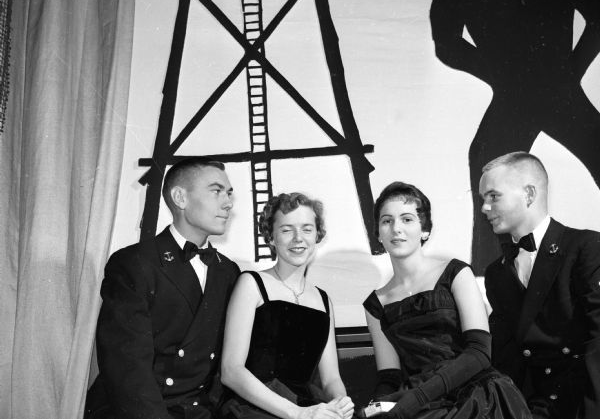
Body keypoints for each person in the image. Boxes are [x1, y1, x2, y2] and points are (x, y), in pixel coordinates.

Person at [430, 0, 600, 275]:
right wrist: (508, 75)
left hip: (542, 93)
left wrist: (568, 72)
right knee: (487, 173)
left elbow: (448, 46)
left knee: (487, 169)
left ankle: (486, 273)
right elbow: (446, 45)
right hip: (536, 94)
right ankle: (489, 276)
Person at [84, 158, 240, 419]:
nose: (227, 203)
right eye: (216, 191)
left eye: (228, 193)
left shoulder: (228, 271)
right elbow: (128, 370)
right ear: (180, 197)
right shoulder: (133, 263)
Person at [362, 182, 531, 419]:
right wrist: (374, 408)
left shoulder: (456, 273)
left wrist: (417, 398)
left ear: (425, 230)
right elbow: (390, 376)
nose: (396, 228)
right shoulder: (376, 303)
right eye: (387, 221)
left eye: (407, 219)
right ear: (378, 233)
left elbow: (479, 352)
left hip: (476, 397)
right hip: (420, 403)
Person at [481, 152, 600, 419]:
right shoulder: (496, 273)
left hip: (581, 402)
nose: (484, 208)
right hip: (528, 406)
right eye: (483, 199)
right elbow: (504, 356)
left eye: (493, 196)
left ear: (529, 194)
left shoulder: (586, 248)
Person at [220, 192, 354, 419]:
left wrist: (340, 404)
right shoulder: (251, 284)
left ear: (317, 236)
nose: (298, 238)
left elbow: (331, 379)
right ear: (271, 237)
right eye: (286, 229)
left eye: (307, 229)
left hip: (307, 406)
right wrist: (297, 414)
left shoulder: (323, 300)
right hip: (252, 408)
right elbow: (231, 371)